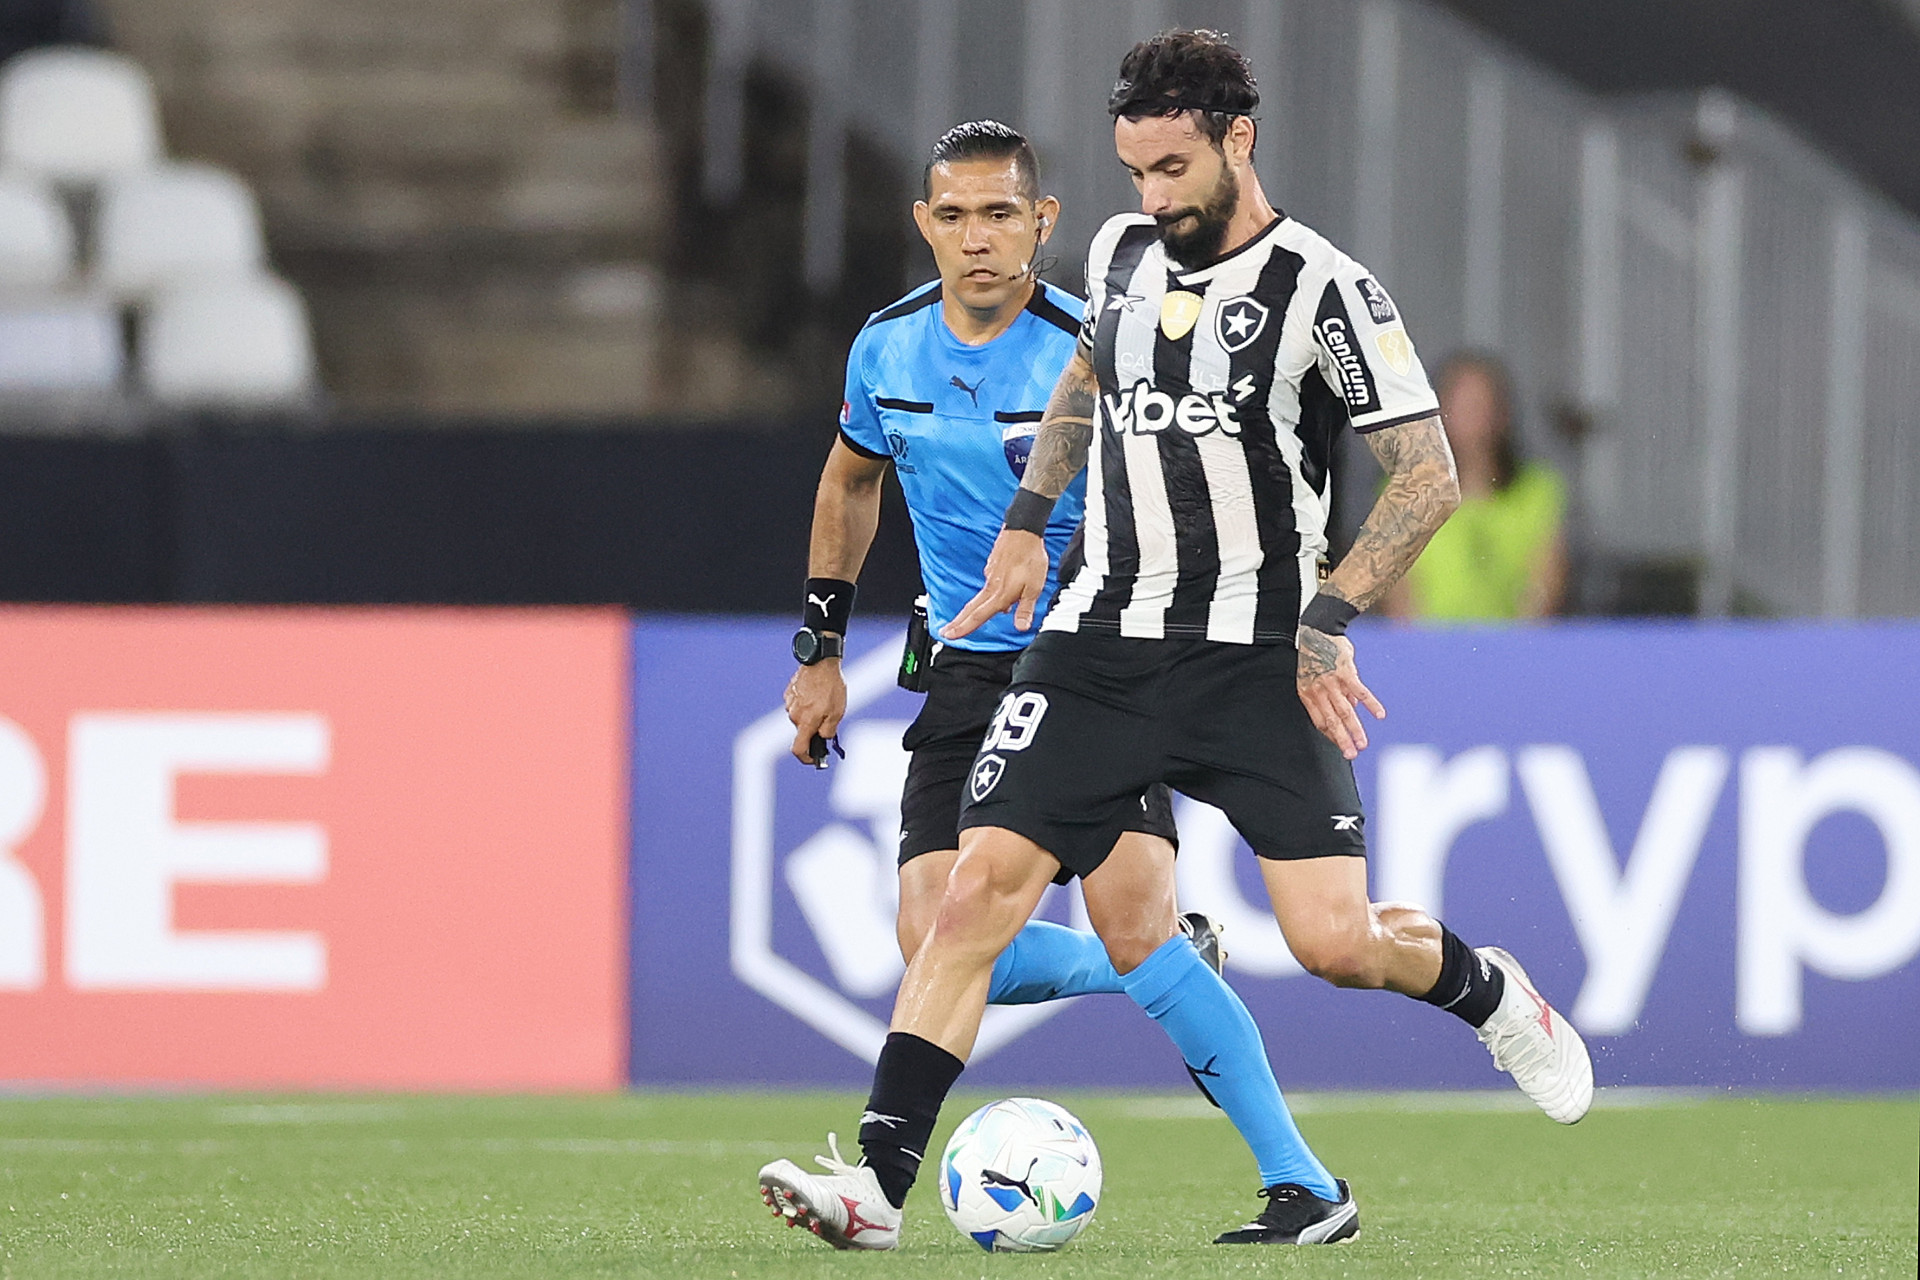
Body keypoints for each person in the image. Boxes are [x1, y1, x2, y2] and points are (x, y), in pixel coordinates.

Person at [757, 30, 1593, 1251]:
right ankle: (877, 1189)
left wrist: (1329, 614)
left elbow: (1427, 476)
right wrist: (1031, 525)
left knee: (1335, 942)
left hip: (1256, 653)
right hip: (1098, 641)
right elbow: (1089, 381)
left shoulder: (1328, 288)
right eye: (1134, 172)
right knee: (973, 893)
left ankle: (1489, 989)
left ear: (1235, 140)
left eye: (1168, 170)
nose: (1149, 198)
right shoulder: (1119, 254)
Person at [765, 119, 1344, 1249]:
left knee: (1034, 924)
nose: (976, 239)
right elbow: (850, 481)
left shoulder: (1098, 342)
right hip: (963, 668)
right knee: (948, 927)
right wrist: (819, 648)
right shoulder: (884, 351)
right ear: (923, 224)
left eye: (1000, 215)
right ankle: (1305, 1178)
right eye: (954, 215)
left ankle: (879, 1185)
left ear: (1044, 223)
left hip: (1093, 669)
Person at [1388, 351, 1568, 620]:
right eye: (1461, 405)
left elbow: (1546, 581)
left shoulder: (1537, 489)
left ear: (1502, 413)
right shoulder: (1406, 488)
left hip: (1510, 649)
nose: (1472, 417)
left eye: (1481, 405)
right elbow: (1396, 588)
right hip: (1430, 650)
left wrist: (1514, 649)